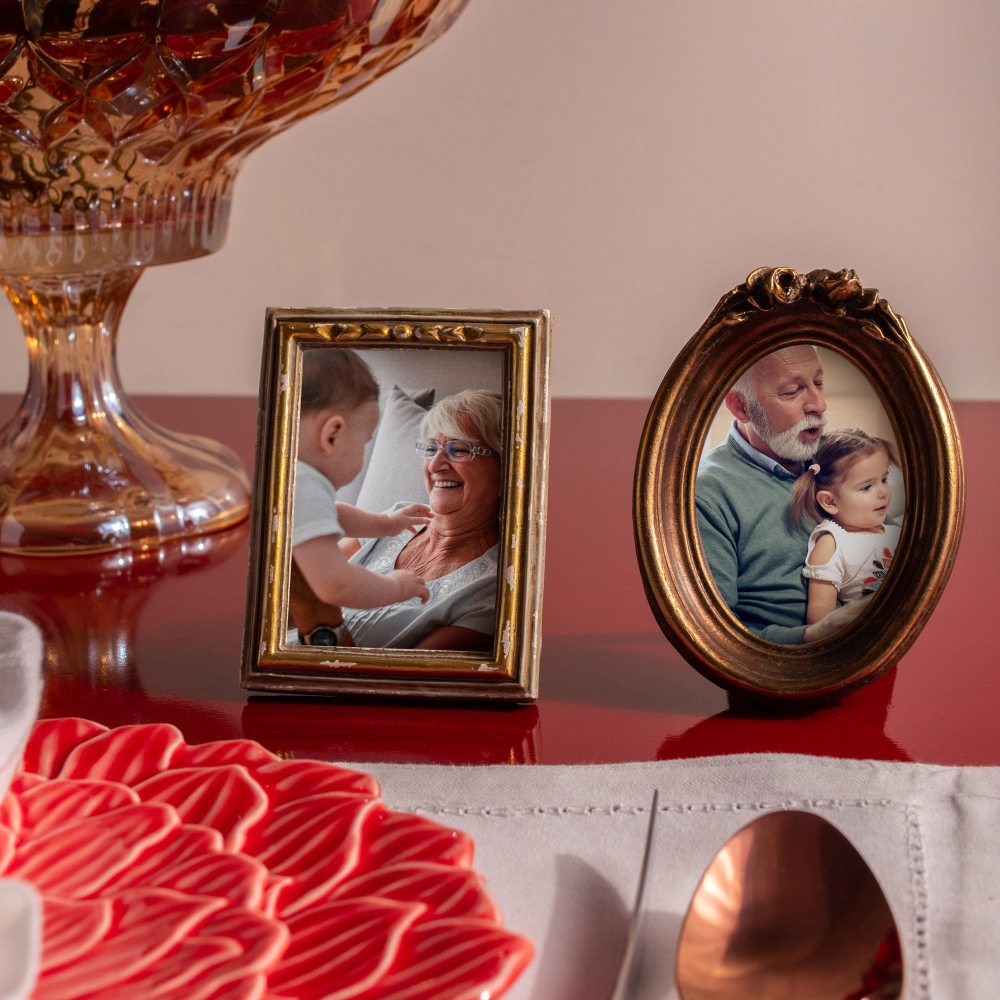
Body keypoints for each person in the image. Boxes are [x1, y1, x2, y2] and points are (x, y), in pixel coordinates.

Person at [696, 344, 871, 644]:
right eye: (792, 391)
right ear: (741, 407)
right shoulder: (708, 495)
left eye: (819, 382)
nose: (819, 404)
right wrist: (813, 636)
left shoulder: (836, 459)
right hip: (785, 664)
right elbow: (714, 637)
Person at [339, 389, 503, 651]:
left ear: (507, 471)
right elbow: (306, 579)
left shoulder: (492, 591)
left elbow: (396, 676)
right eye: (431, 448)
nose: (435, 465)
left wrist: (312, 611)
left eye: (459, 449)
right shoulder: (396, 519)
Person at [291, 349, 431, 647]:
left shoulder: (288, 477)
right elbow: (337, 584)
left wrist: (386, 524)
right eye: (365, 442)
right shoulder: (305, 482)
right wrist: (396, 587)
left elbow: (332, 513)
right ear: (332, 435)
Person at [790, 428, 901, 626]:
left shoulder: (897, 532)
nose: (883, 492)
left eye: (884, 480)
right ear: (830, 502)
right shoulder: (832, 543)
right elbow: (819, 614)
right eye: (866, 487)